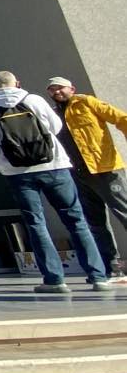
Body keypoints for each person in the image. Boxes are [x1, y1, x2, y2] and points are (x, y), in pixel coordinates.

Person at [0, 71, 108, 293]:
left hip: (18, 174)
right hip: (55, 167)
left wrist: (3, 166)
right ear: (17, 83)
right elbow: (56, 127)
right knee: (76, 221)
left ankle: (55, 280)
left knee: (36, 224)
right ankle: (98, 277)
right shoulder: (34, 100)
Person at [46, 76, 127, 278]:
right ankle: (112, 266)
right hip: (78, 174)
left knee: (124, 211)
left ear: (71, 88)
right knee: (96, 223)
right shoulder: (54, 114)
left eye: (60, 88)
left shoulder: (86, 102)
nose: (57, 92)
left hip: (105, 169)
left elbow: (121, 118)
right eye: (52, 90)